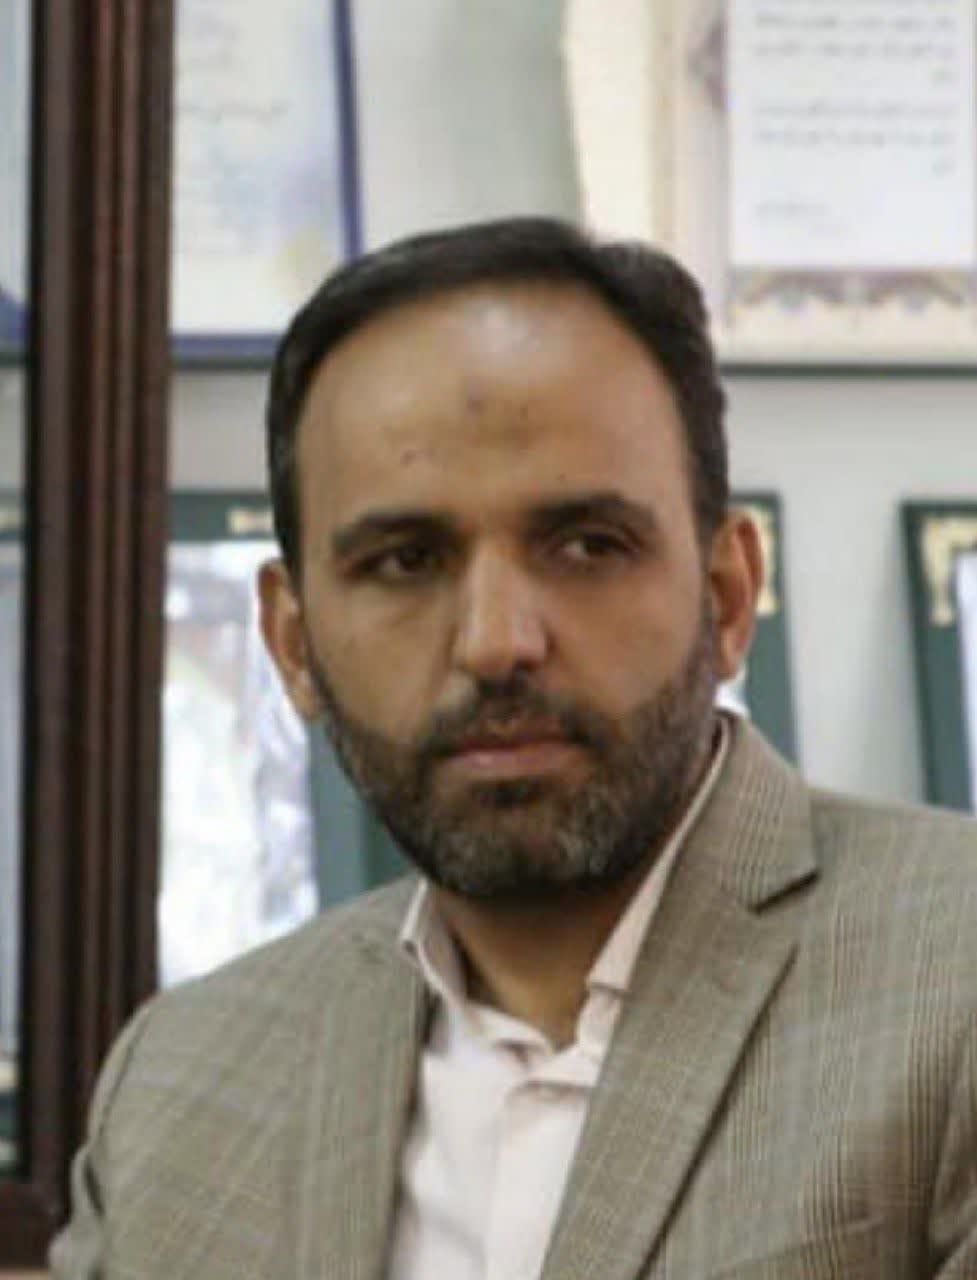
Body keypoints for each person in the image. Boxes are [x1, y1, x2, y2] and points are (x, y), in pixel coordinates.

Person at [52, 219, 977, 1279]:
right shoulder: (178, 1087)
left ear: (726, 597)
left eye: (586, 545)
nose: (496, 642)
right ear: (293, 643)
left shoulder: (949, 985)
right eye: (404, 562)